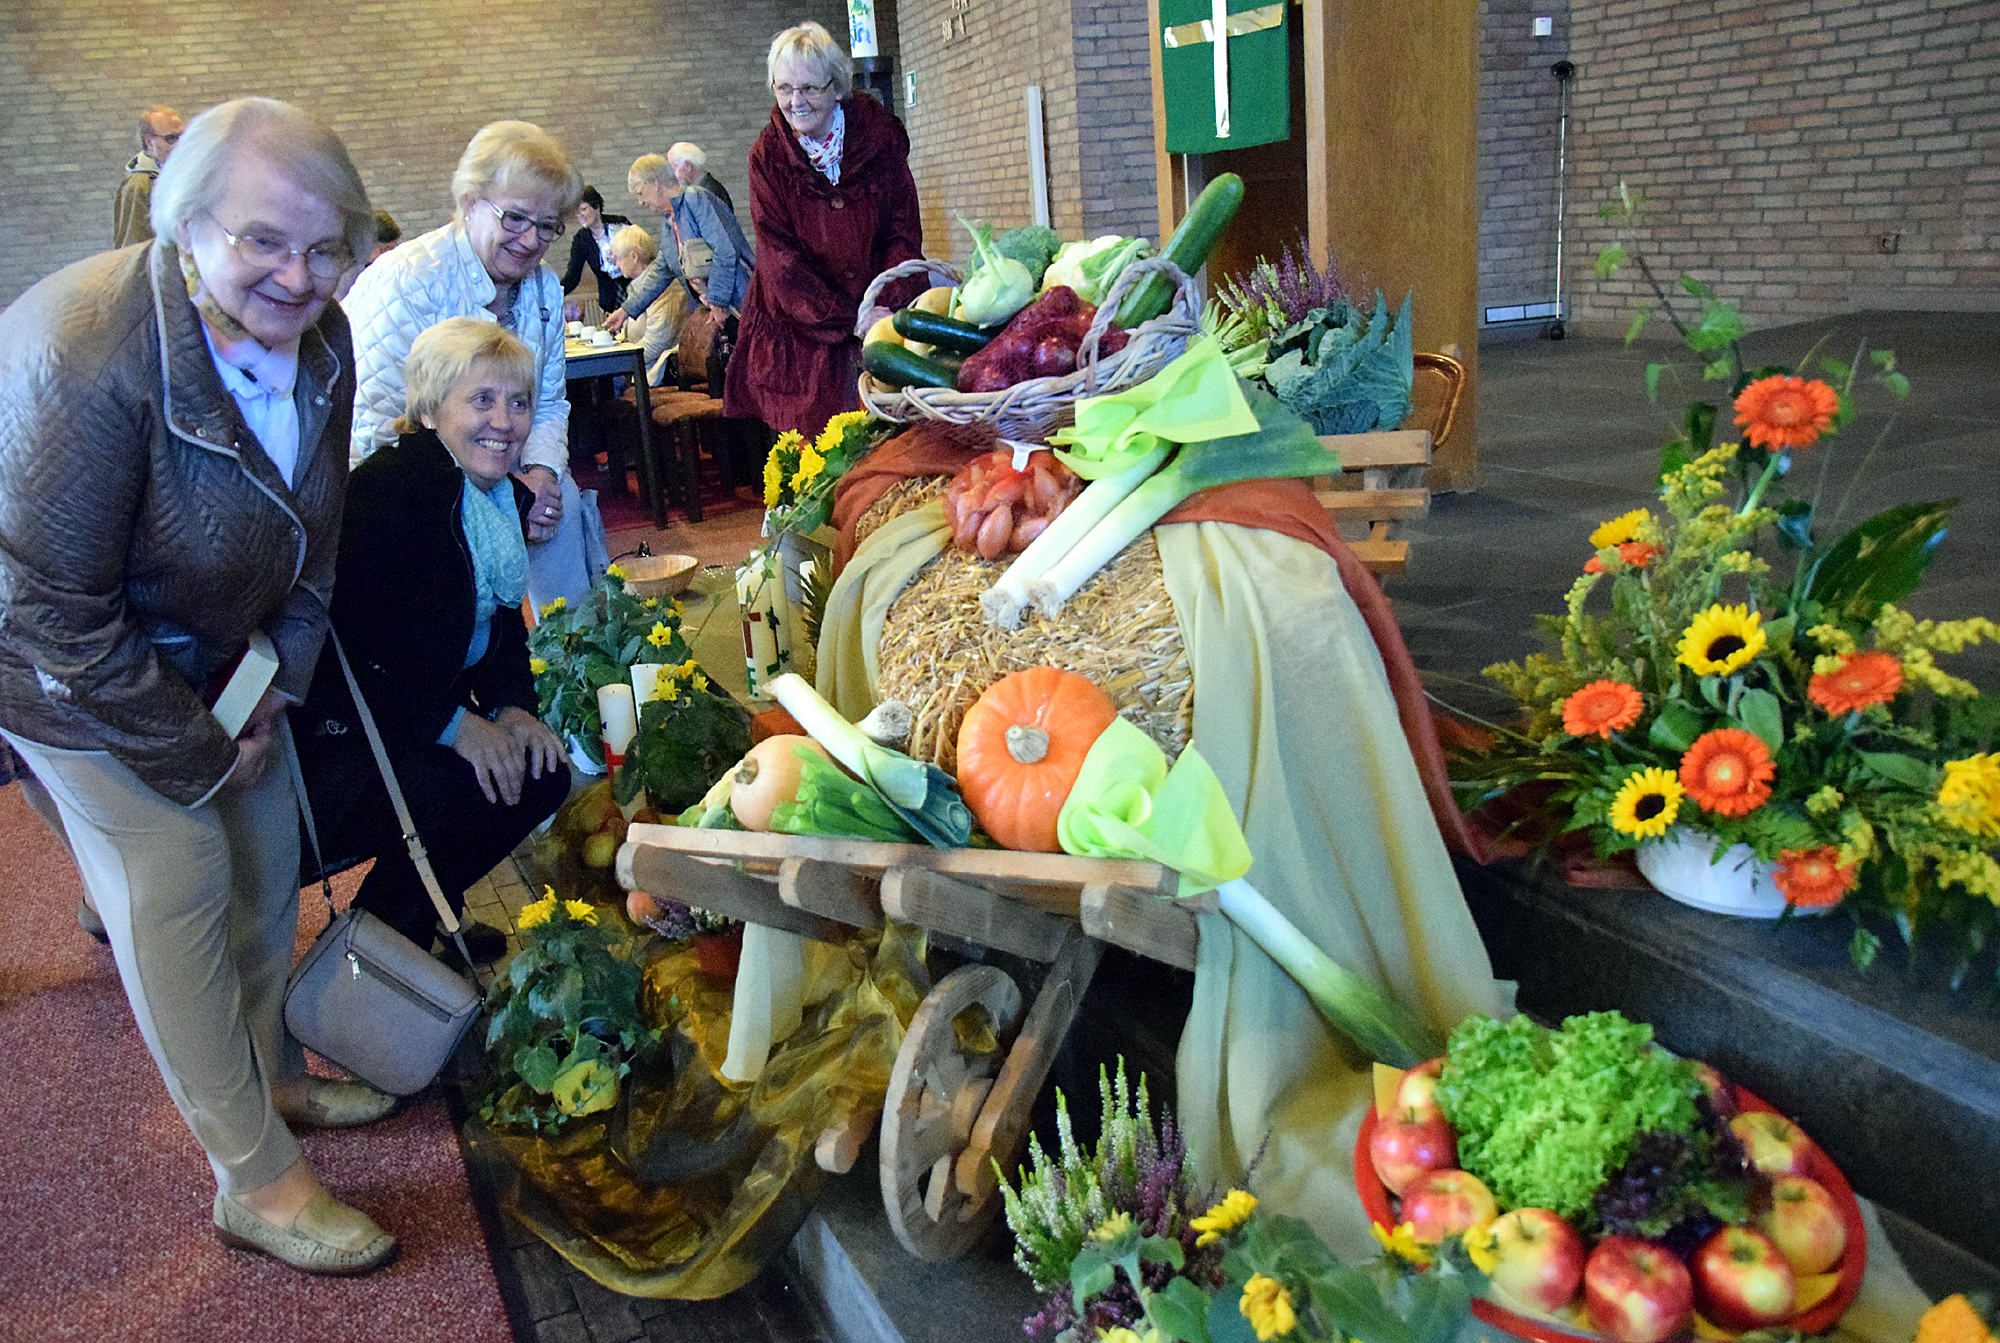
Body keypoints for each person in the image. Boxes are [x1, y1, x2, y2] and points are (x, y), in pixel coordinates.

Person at [0, 96, 398, 1276]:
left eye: (327, 246)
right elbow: (51, 614)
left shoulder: (324, 336)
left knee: (268, 845)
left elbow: (311, 542)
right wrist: (191, 746)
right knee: (175, 870)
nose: (300, 274)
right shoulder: (87, 354)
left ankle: (276, 1076)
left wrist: (271, 683)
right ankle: (255, 1178)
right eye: (263, 241)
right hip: (59, 665)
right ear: (186, 229)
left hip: (211, 644)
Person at [291, 319, 568, 965]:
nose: (504, 421)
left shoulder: (489, 496)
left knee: (540, 767)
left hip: (406, 723)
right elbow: (339, 657)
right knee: (470, 786)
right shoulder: (390, 492)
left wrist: (512, 707)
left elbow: (498, 626)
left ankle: (415, 910)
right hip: (335, 747)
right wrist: (455, 726)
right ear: (430, 407)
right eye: (481, 400)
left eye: (518, 401)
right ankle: (380, 951)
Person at [343, 120, 596, 609]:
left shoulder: (542, 287)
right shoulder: (407, 280)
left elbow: (546, 400)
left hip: (501, 464)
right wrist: (494, 498)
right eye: (515, 218)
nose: (530, 241)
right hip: (411, 486)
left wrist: (540, 476)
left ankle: (576, 663)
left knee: (558, 506)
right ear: (469, 204)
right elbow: (376, 430)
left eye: (547, 227)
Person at [723, 21, 924, 439]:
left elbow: (901, 233)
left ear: (837, 86)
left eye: (809, 89)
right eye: (784, 89)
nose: (795, 102)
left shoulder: (880, 138)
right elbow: (780, 259)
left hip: (882, 315)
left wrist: (881, 306)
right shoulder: (768, 156)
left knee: (891, 444)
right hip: (802, 331)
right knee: (818, 457)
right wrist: (849, 317)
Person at [605, 152, 754, 336]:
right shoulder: (669, 220)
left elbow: (724, 250)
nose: (641, 202)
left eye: (640, 193)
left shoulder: (694, 198)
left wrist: (717, 300)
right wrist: (625, 310)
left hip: (740, 306)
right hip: (715, 310)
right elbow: (662, 270)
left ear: (655, 183)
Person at [113, 103, 182, 247]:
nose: (180, 143)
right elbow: (133, 245)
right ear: (150, 143)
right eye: (171, 138)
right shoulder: (138, 187)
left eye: (183, 135)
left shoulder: (185, 172)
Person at [559, 186, 631, 317]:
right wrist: (554, 294)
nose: (579, 215)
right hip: (611, 301)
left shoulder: (619, 223)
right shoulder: (581, 239)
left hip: (634, 292)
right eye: (576, 211)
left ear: (596, 206)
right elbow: (573, 277)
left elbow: (639, 251)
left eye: (583, 209)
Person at [667, 141, 734, 213]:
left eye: (675, 167)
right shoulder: (705, 188)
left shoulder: (708, 192)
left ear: (688, 166)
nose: (674, 174)